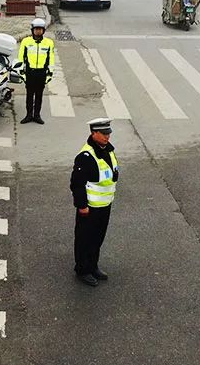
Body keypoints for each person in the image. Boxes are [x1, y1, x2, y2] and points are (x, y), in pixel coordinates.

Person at [70, 118, 119, 287]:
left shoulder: (108, 150)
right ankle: (82, 270)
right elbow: (77, 184)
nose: (107, 137)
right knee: (85, 239)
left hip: (105, 205)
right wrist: (82, 206)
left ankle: (93, 266)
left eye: (108, 133)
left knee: (98, 238)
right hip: (89, 208)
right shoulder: (86, 156)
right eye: (104, 134)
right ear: (94, 133)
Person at [18, 18, 54, 125]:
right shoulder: (26, 42)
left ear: (43, 31)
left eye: (40, 29)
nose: (38, 31)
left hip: (41, 73)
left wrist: (50, 73)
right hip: (30, 72)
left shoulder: (49, 43)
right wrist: (21, 71)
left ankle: (37, 115)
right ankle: (29, 115)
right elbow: (21, 57)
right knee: (29, 95)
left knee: (39, 95)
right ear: (32, 30)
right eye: (36, 29)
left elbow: (51, 59)